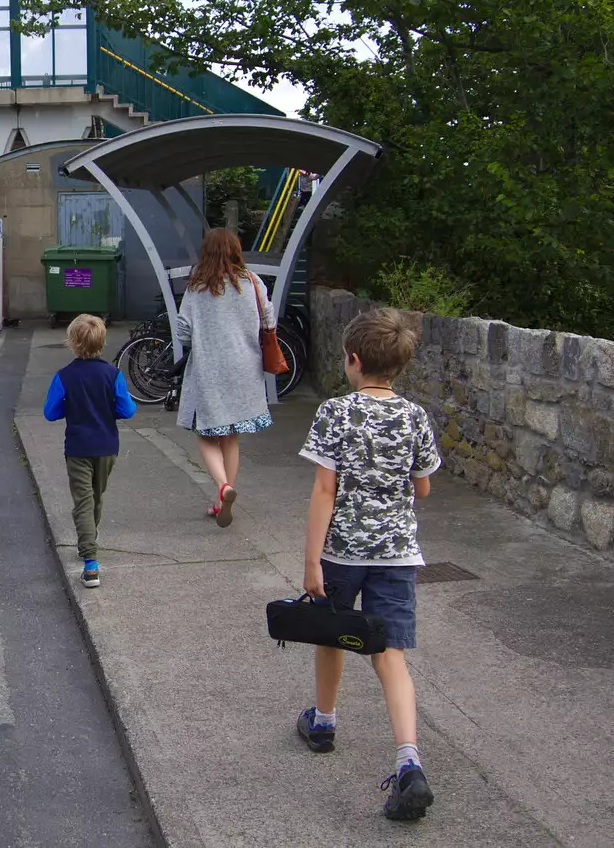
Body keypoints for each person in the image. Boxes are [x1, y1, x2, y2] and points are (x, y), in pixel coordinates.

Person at [295, 308, 442, 822]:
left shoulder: (335, 413)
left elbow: (323, 489)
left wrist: (311, 560)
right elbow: (422, 486)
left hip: (342, 553)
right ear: (398, 366)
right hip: (398, 554)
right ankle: (408, 761)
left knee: (332, 634)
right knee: (391, 653)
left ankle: (324, 722)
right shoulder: (416, 416)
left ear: (353, 360)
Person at [173, 227, 275, 527]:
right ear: (235, 250)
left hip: (209, 370)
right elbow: (268, 319)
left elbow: (183, 331)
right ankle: (222, 499)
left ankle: (223, 488)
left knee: (205, 434)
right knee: (231, 437)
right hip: (246, 370)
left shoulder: (197, 287)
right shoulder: (253, 282)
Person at [43, 314, 138, 588]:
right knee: (95, 498)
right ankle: (89, 546)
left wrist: (69, 406)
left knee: (83, 501)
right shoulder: (113, 375)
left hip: (77, 448)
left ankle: (90, 562)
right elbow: (127, 410)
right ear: (102, 342)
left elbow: (50, 412)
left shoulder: (64, 376)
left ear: (72, 343)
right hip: (107, 446)